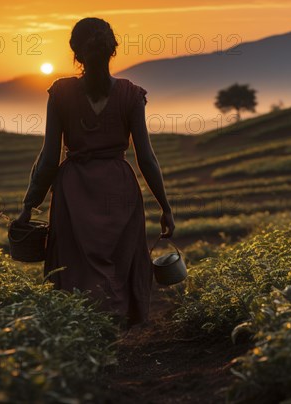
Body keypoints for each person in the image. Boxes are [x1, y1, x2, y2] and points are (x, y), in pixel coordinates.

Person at [17, 17, 175, 329]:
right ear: (112, 51)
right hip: (119, 189)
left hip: (73, 192)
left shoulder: (60, 93)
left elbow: (50, 158)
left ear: (76, 53)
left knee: (77, 267)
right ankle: (115, 329)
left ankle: (84, 334)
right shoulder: (131, 96)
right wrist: (165, 207)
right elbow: (146, 158)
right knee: (117, 263)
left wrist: (28, 206)